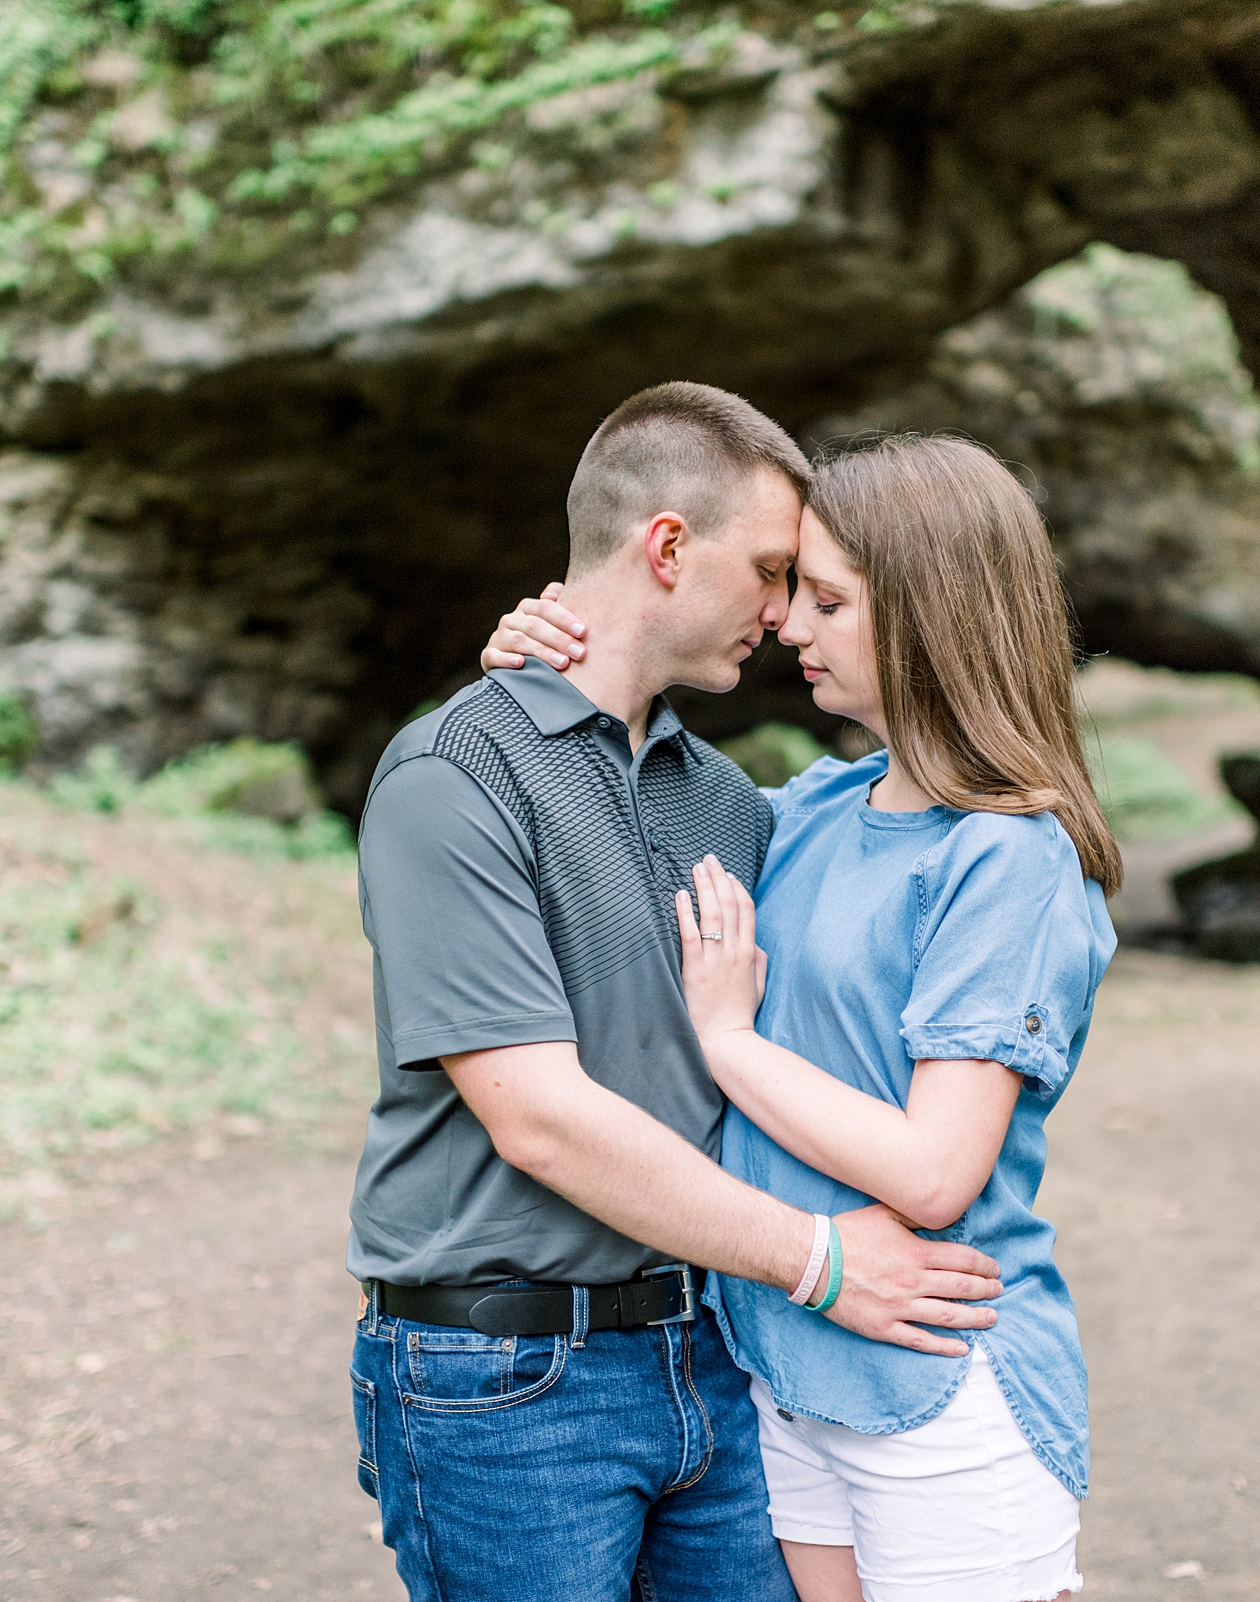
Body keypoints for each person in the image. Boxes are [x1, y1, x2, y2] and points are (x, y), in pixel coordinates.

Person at [350, 385, 1008, 1602]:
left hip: (711, 1347)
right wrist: (817, 1260)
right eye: (770, 572)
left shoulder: (736, 806)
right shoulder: (452, 776)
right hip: (502, 1381)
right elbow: (538, 1118)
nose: (781, 613)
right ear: (664, 547)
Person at [483, 433, 1121, 1602]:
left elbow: (935, 1173)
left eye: (827, 600)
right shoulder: (816, 807)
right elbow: (620, 817)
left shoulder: (1009, 858)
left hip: (935, 1380)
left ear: (933, 616)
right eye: (790, 591)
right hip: (785, 1370)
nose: (787, 625)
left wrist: (729, 1043)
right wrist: (551, 671)